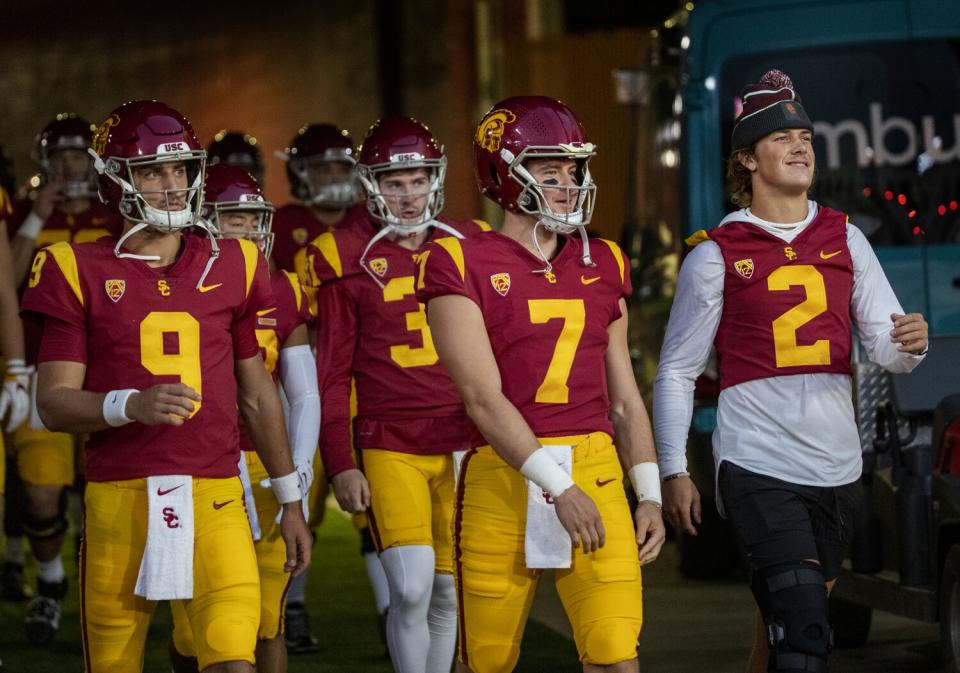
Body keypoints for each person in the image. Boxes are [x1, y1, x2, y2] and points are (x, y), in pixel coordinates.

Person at [20, 100, 312, 673]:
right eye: (152, 171)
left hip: (216, 492)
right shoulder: (73, 266)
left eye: (180, 169)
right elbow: (52, 402)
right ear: (115, 178)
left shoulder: (237, 262)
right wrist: (129, 404)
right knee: (115, 663)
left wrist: (290, 499)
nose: (172, 184)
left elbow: (257, 395)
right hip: (118, 497)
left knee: (233, 654)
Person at [654, 70, 929, 673]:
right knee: (804, 631)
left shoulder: (847, 238)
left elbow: (886, 345)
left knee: (783, 632)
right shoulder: (713, 256)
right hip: (756, 462)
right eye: (782, 138)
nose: (801, 145)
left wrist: (911, 343)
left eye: (805, 134)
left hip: (835, 465)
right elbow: (676, 371)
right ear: (748, 159)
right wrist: (674, 469)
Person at [417, 96, 665, 673]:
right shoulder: (458, 258)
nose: (569, 184)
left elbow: (625, 400)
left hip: (595, 465)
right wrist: (560, 486)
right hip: (504, 476)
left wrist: (648, 490)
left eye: (574, 171)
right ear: (505, 175)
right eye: (550, 172)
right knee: (486, 661)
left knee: (614, 653)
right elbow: (481, 397)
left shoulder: (603, 259)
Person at [304, 115, 488, 673]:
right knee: (409, 588)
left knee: (449, 592)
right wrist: (340, 463)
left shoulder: (470, 243)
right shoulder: (341, 253)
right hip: (390, 441)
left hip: (462, 439)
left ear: (436, 179)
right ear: (371, 184)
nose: (408, 195)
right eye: (394, 182)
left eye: (417, 180)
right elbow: (331, 373)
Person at [167, 164, 319, 673]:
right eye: (235, 219)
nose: (251, 230)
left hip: (262, 461)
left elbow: (303, 392)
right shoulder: (176, 282)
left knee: (266, 615)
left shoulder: (284, 287)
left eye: (255, 218)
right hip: (201, 465)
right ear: (205, 220)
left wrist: (297, 465)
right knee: (192, 627)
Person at [3, 113, 121, 643]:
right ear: (46, 163)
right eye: (62, 157)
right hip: (39, 367)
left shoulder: (111, 212)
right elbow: (6, 283)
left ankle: (108, 594)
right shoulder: (26, 214)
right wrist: (37, 217)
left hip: (106, 370)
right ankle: (50, 584)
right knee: (42, 492)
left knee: (105, 488)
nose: (71, 166)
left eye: (80, 156)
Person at [272, 123, 366, 274]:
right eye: (324, 170)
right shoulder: (279, 224)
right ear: (298, 173)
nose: (336, 178)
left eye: (343, 169)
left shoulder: (370, 218)